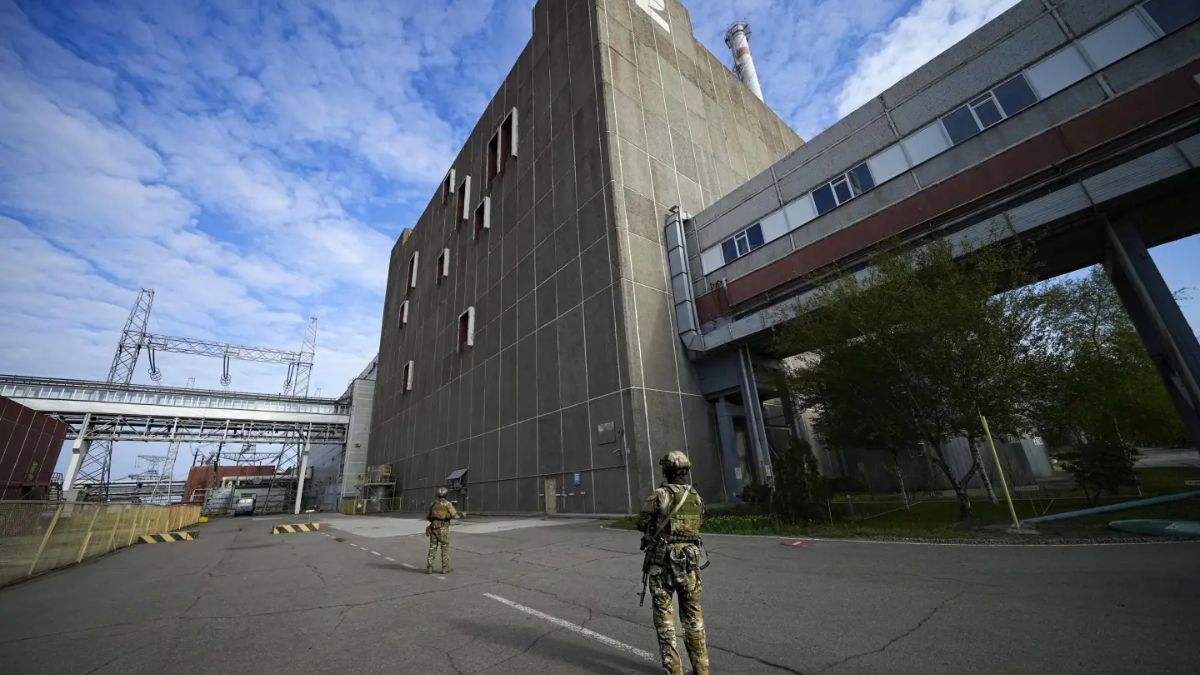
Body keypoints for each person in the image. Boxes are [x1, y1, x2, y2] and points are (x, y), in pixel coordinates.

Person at [637, 451, 709, 675]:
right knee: (693, 617)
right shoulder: (696, 497)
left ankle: (674, 670)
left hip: (663, 563)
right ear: (686, 471)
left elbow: (641, 523)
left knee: (665, 618)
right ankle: (701, 669)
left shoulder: (660, 495)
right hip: (690, 563)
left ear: (666, 471)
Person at [426, 486, 460, 574]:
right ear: (446, 495)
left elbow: (428, 517)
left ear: (437, 494)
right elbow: (455, 515)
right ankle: (445, 568)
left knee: (432, 547)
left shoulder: (433, 504)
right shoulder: (448, 504)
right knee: (444, 548)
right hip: (443, 529)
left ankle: (429, 568)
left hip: (433, 528)